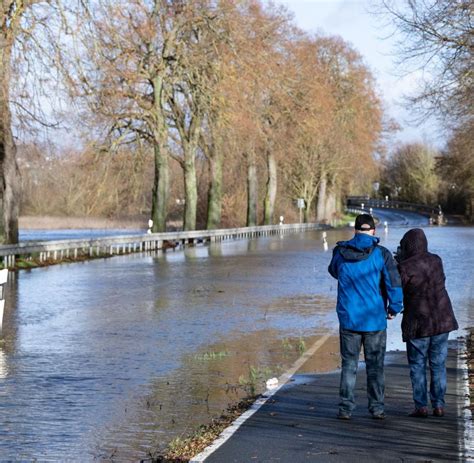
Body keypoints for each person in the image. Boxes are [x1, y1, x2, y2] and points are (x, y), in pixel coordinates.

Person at [328, 214, 403, 420]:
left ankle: (345, 408)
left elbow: (334, 271)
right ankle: (377, 408)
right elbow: (393, 283)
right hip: (374, 319)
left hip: (349, 318)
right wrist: (394, 308)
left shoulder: (340, 252)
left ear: (355, 230)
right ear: (373, 231)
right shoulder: (381, 254)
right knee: (375, 366)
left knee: (349, 366)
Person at [396, 228, 458, 418]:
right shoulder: (436, 260)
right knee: (438, 364)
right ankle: (438, 405)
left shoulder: (404, 267)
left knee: (417, 365)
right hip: (442, 320)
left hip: (418, 323)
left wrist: (398, 263)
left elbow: (400, 290)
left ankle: (421, 406)